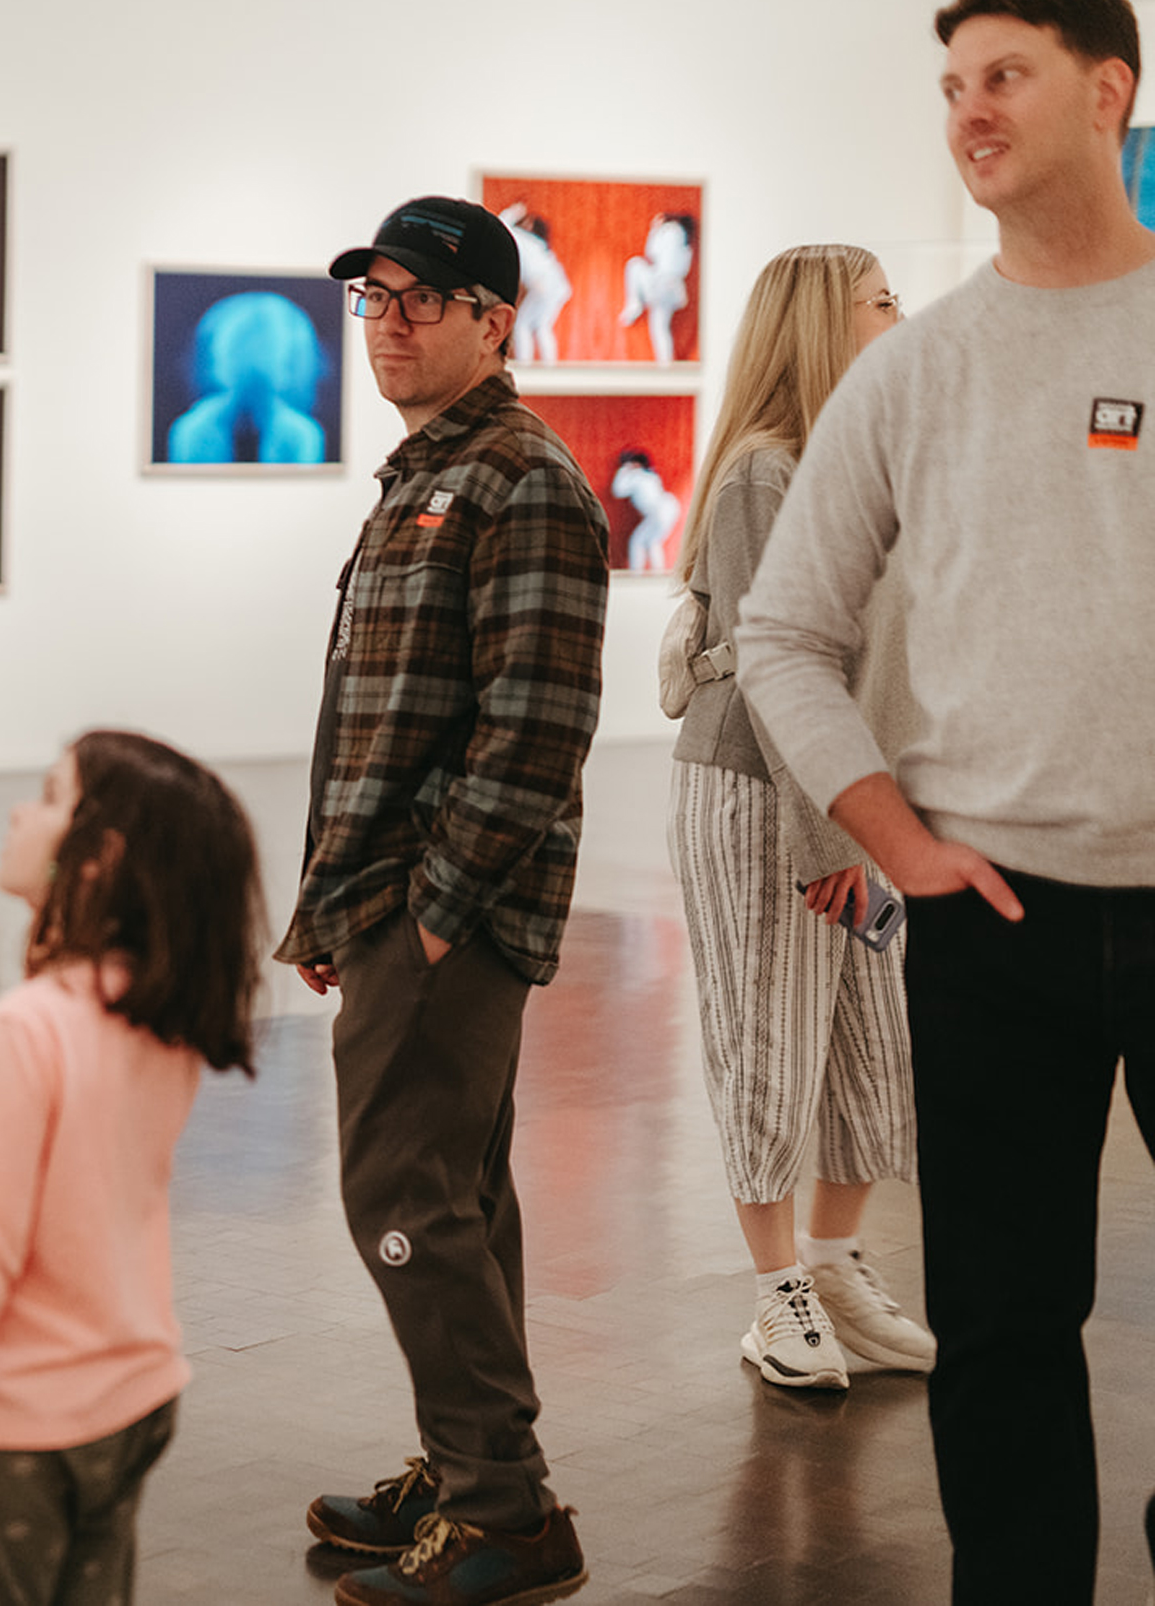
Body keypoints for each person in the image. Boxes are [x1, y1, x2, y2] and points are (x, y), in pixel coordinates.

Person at [735, 0, 1155, 1603]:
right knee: (997, 1319)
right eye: (954, 87)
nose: (970, 109)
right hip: (995, 919)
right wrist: (891, 831)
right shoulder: (912, 374)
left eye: (1008, 75)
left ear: (1110, 92)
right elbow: (782, 631)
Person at [281, 196, 605, 1606]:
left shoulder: (522, 479)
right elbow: (378, 722)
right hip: (391, 900)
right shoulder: (428, 473)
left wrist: (429, 911)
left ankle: (502, 1511)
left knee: (404, 1197)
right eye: (377, 299)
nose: (392, 324)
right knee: (458, 1188)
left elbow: (536, 722)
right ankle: (466, 1461)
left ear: (494, 320)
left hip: (448, 917)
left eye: (424, 299)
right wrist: (334, 904)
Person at [0, 730, 266, 1606]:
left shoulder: (28, 1029)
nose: (20, 810)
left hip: (31, 1416)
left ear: (99, 859)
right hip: (136, 1394)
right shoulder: (160, 1016)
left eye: (48, 795)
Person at [667, 244, 934, 1398]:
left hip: (850, 796)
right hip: (762, 795)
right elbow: (780, 672)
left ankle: (830, 1273)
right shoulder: (761, 476)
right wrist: (829, 843)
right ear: (826, 321)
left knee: (868, 1051)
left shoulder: (853, 459)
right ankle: (774, 1294)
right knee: (767, 1045)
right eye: (880, 299)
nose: (898, 313)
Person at [165, 290, 329, 465]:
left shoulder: (300, 434)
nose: (253, 368)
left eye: (265, 354)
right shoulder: (193, 430)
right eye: (242, 354)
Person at [500, 202, 572, 364]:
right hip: (558, 286)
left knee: (522, 325)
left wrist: (516, 210)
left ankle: (525, 365)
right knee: (541, 326)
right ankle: (549, 365)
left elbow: (503, 224)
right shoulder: (538, 244)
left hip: (543, 283)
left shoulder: (523, 238)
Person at [619, 212, 696, 363]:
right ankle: (665, 364)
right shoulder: (686, 243)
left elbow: (651, 253)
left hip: (660, 282)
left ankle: (634, 304)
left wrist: (655, 229)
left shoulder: (668, 230)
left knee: (634, 265)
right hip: (674, 288)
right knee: (660, 328)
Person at [607, 448, 681, 573]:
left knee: (637, 542)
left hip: (658, 511)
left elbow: (618, 491)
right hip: (669, 508)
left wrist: (623, 470)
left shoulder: (637, 476)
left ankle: (636, 574)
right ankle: (658, 573)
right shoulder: (651, 475)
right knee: (652, 541)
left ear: (636, 464)